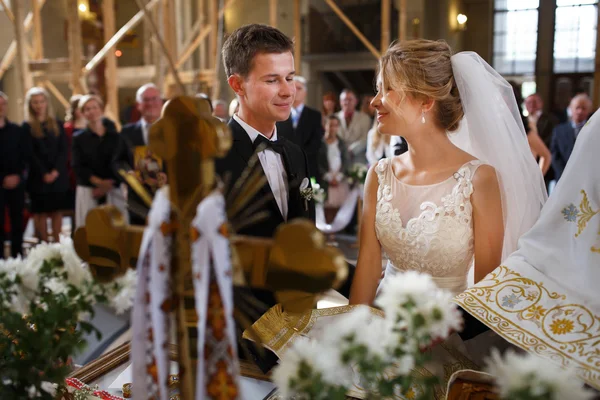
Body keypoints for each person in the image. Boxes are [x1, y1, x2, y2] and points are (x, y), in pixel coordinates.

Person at [72, 95, 128, 228]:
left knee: (117, 231)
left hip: (113, 189)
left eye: (95, 107)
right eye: (87, 109)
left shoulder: (116, 137)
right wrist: (99, 183)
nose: (92, 111)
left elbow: (123, 161)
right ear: (83, 113)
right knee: (91, 231)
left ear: (101, 109)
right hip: (89, 190)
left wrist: (108, 185)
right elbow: (78, 165)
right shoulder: (78, 138)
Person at [23, 87, 69, 243]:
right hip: (38, 177)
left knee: (57, 211)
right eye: (35, 102)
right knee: (40, 213)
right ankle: (44, 245)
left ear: (46, 103)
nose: (39, 105)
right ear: (30, 105)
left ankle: (57, 244)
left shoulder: (57, 124)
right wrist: (44, 173)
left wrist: (55, 171)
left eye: (41, 101)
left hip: (58, 175)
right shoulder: (26, 127)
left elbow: (63, 150)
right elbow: (30, 154)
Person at [117, 83, 166, 225]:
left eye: (154, 99)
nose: (150, 103)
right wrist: (128, 174)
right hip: (137, 199)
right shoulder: (126, 132)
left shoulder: (172, 131)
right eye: (145, 100)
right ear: (138, 105)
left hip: (167, 196)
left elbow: (182, 160)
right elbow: (117, 161)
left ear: (161, 102)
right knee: (138, 241)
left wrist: (168, 175)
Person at [277, 76, 324, 180]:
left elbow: (316, 142)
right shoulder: (279, 114)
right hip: (284, 167)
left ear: (305, 92)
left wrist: (298, 157)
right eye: (293, 87)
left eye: (299, 88)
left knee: (307, 196)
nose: (296, 91)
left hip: (308, 167)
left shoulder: (315, 115)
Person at [0, 91, 27, 257]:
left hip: (17, 183)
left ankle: (18, 258)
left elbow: (25, 157)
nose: (0, 108)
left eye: (3, 104)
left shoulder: (17, 130)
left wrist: (18, 176)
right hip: (0, 184)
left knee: (18, 222)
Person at [551, 93, 592, 182]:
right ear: (570, 109)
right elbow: (555, 155)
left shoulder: (593, 131)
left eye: (584, 108)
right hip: (563, 178)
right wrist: (564, 175)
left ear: (589, 110)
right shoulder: (559, 130)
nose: (580, 111)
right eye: (577, 108)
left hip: (586, 179)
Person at [317, 115, 350, 208]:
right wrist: (328, 177)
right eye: (330, 125)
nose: (333, 128)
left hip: (340, 180)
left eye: (335, 125)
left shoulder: (342, 143)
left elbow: (346, 161)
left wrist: (339, 176)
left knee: (341, 208)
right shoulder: (320, 143)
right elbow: (317, 162)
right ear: (325, 125)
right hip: (325, 181)